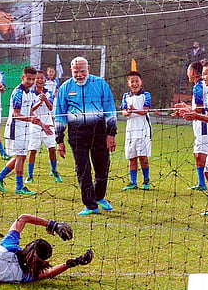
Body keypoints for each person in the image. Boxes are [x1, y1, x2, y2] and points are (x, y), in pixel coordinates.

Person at [55, 57, 117, 215]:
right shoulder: (65, 88)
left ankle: (99, 196)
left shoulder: (101, 84)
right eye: (76, 72)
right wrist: (59, 140)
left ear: (88, 68)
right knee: (83, 169)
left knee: (102, 167)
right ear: (71, 71)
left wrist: (111, 133)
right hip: (76, 134)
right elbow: (60, 115)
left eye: (82, 71)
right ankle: (91, 206)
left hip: (99, 132)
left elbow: (110, 110)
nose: (79, 75)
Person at [0, 67, 53, 195]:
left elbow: (30, 111)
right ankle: (19, 187)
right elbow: (16, 114)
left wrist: (42, 124)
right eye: (28, 79)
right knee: (21, 156)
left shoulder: (29, 93)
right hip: (15, 129)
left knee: (22, 156)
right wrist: (30, 119)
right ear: (22, 78)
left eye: (33, 79)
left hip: (25, 129)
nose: (30, 81)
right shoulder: (18, 93)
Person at [181, 61, 208, 216]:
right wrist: (189, 111)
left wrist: (196, 115)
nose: (202, 77)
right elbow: (205, 112)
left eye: (205, 74)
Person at [174, 62, 208, 191]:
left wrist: (187, 111)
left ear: (194, 73)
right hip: (199, 125)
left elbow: (199, 110)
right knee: (197, 154)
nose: (187, 74)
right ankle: (202, 183)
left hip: (204, 126)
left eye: (188, 71)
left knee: (204, 155)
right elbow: (198, 108)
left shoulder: (199, 87)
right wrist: (186, 108)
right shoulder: (200, 85)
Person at [26, 70, 62, 184]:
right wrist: (39, 102)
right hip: (35, 124)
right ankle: (30, 175)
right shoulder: (30, 93)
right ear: (34, 80)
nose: (40, 80)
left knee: (52, 148)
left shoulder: (49, 93)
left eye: (42, 78)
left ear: (45, 80)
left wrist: (45, 99)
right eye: (37, 78)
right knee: (33, 150)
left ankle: (54, 171)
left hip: (48, 122)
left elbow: (51, 108)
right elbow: (30, 110)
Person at [120, 71, 152, 191]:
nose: (134, 83)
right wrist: (128, 112)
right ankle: (133, 182)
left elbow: (145, 111)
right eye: (132, 81)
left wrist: (134, 110)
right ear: (128, 83)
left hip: (143, 130)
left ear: (141, 82)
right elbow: (124, 112)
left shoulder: (146, 95)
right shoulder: (126, 96)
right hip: (130, 131)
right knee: (132, 157)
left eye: (136, 81)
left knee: (143, 157)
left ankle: (146, 180)